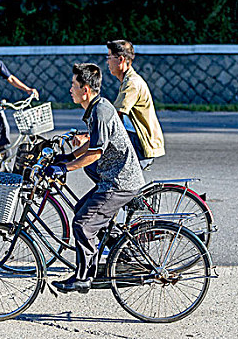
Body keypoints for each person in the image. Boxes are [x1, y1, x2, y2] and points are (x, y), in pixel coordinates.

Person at [46, 63, 145, 293]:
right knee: (82, 209)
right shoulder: (97, 107)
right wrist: (68, 157)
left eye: (74, 85)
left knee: (83, 224)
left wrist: (66, 168)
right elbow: (93, 141)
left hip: (118, 182)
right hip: (112, 179)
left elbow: (96, 152)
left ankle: (83, 276)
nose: (70, 89)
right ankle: (123, 254)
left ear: (86, 89)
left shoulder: (100, 111)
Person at [106, 39, 165, 170]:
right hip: (133, 138)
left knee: (101, 167)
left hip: (140, 144)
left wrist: (91, 135)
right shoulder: (127, 80)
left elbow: (116, 115)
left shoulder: (131, 83)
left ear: (121, 60)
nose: (107, 62)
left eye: (109, 57)